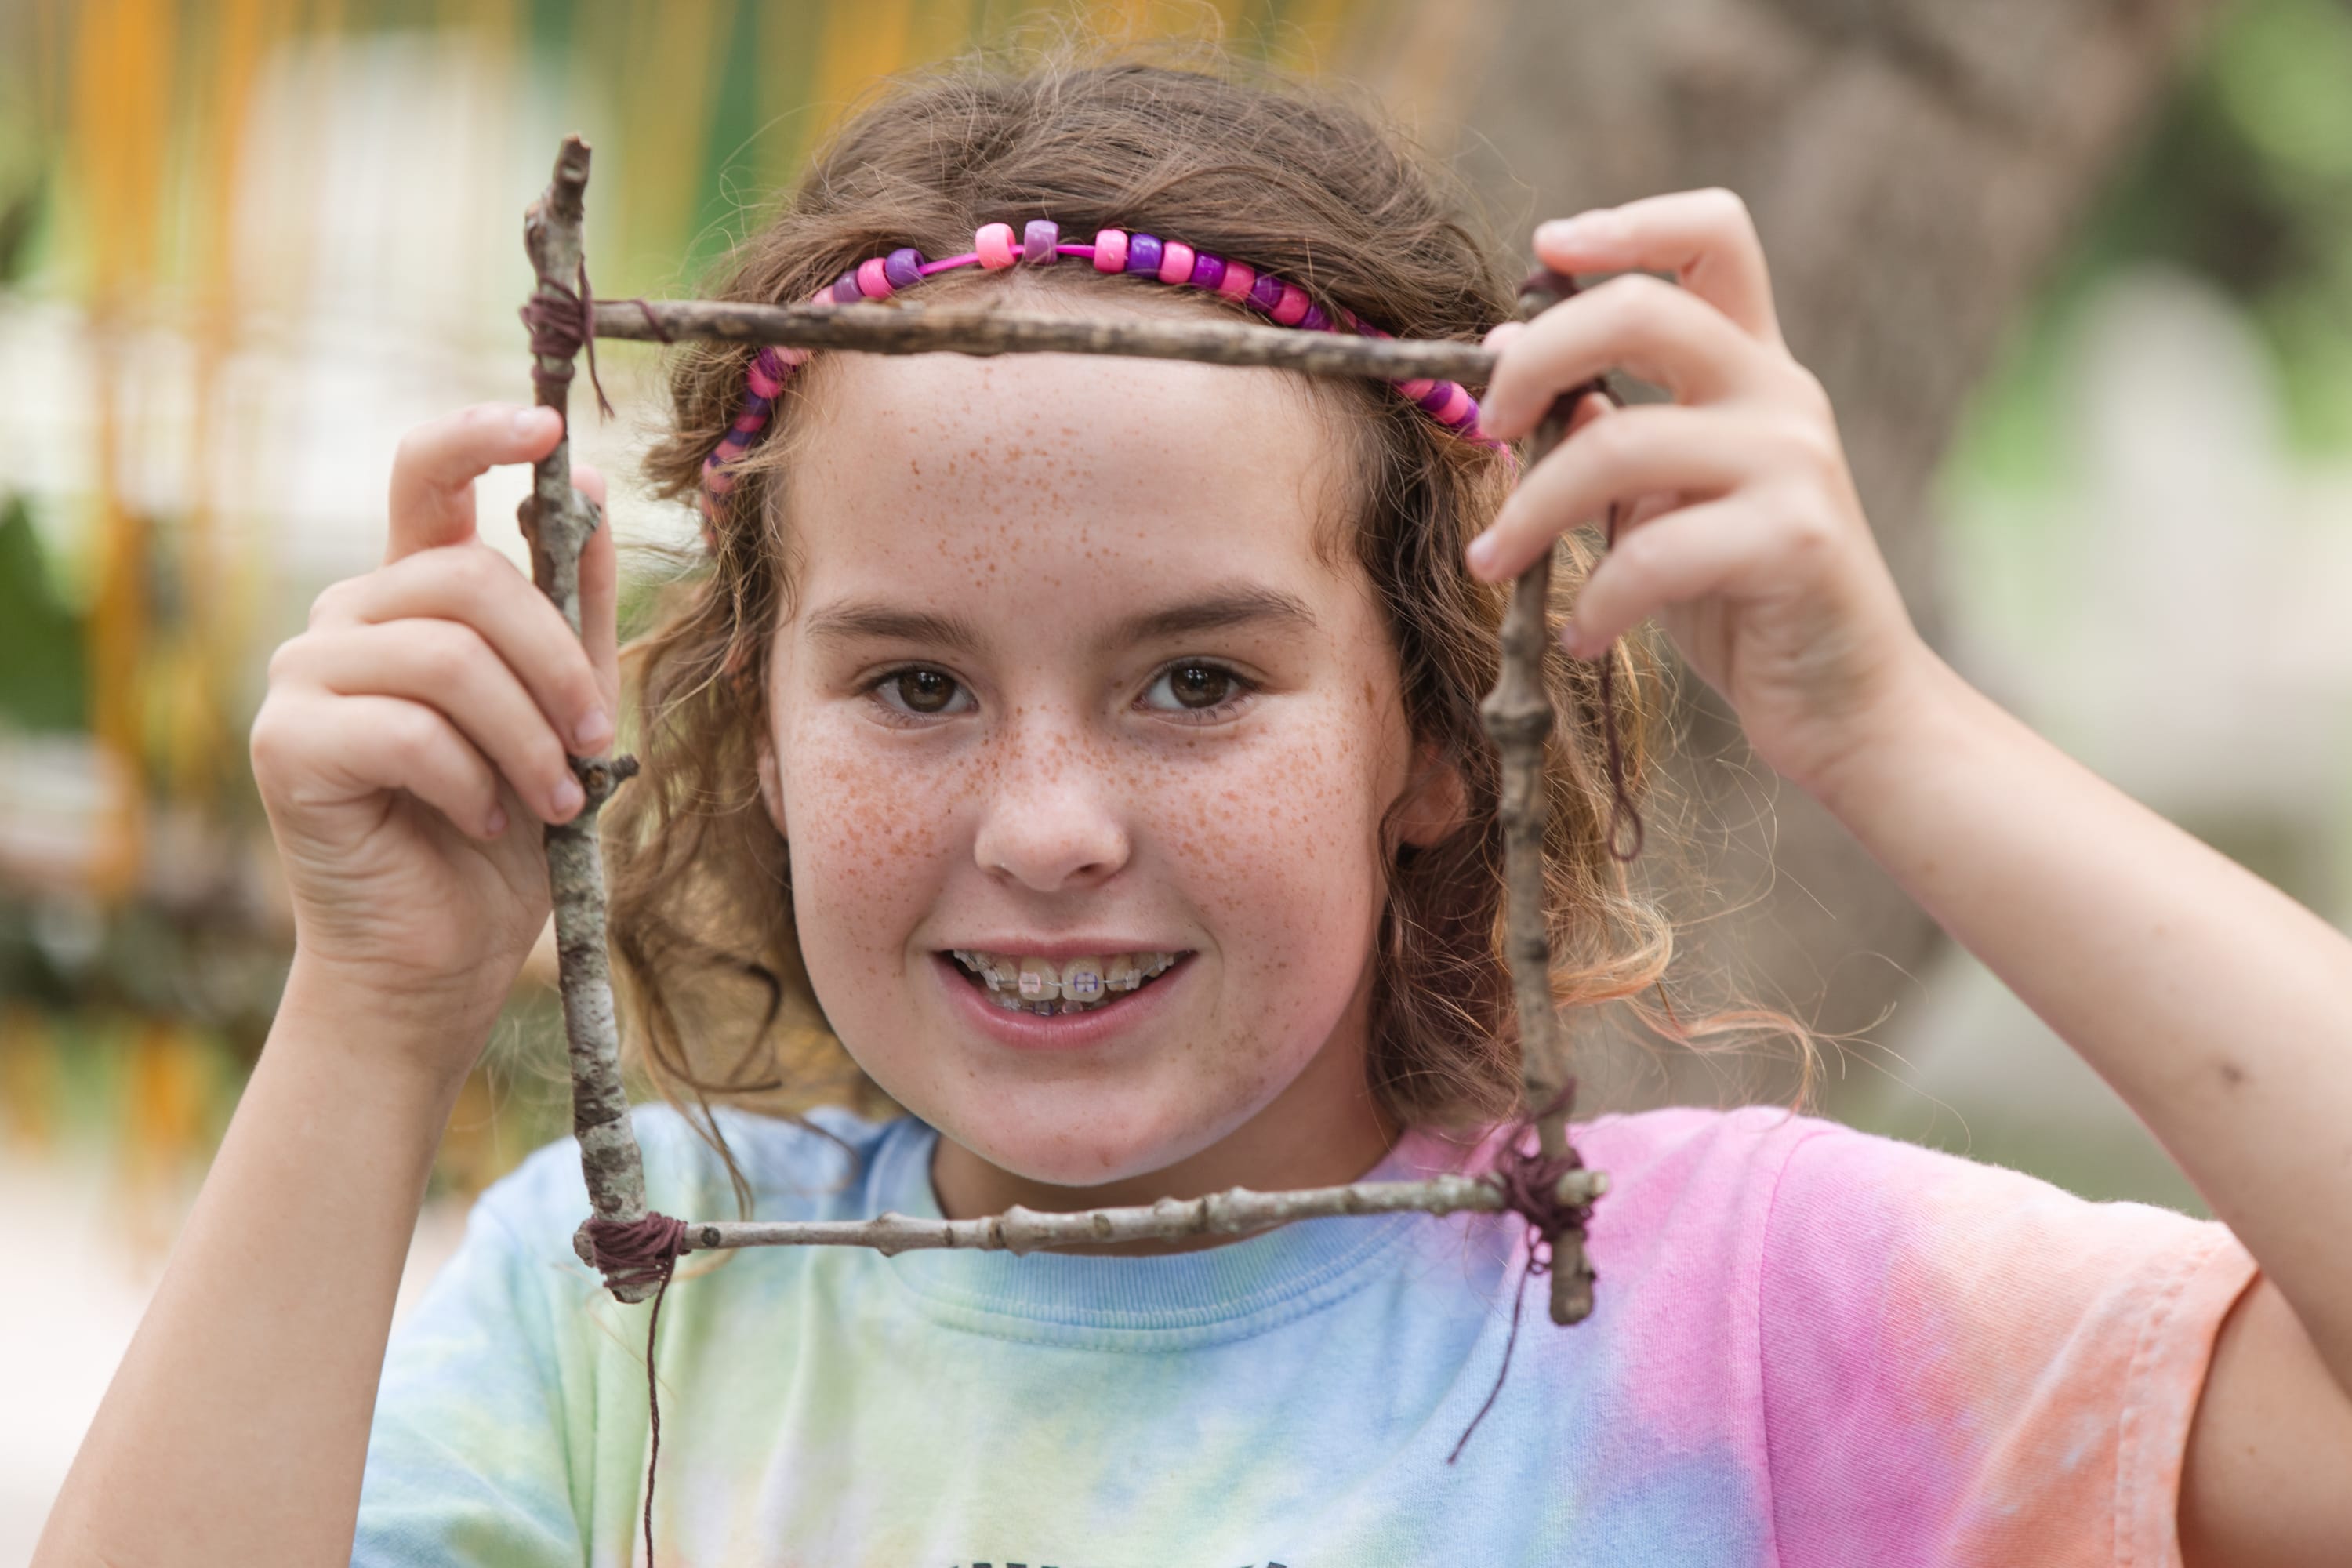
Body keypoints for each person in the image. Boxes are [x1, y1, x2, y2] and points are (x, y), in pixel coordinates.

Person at [35, 50, 2352, 1568]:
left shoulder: (1733, 1318)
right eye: (916, 681)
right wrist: (367, 1021)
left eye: (1200, 679)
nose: (1047, 823)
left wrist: (1893, 735)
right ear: (752, 718)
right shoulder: (616, 1318)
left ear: (1438, 729)